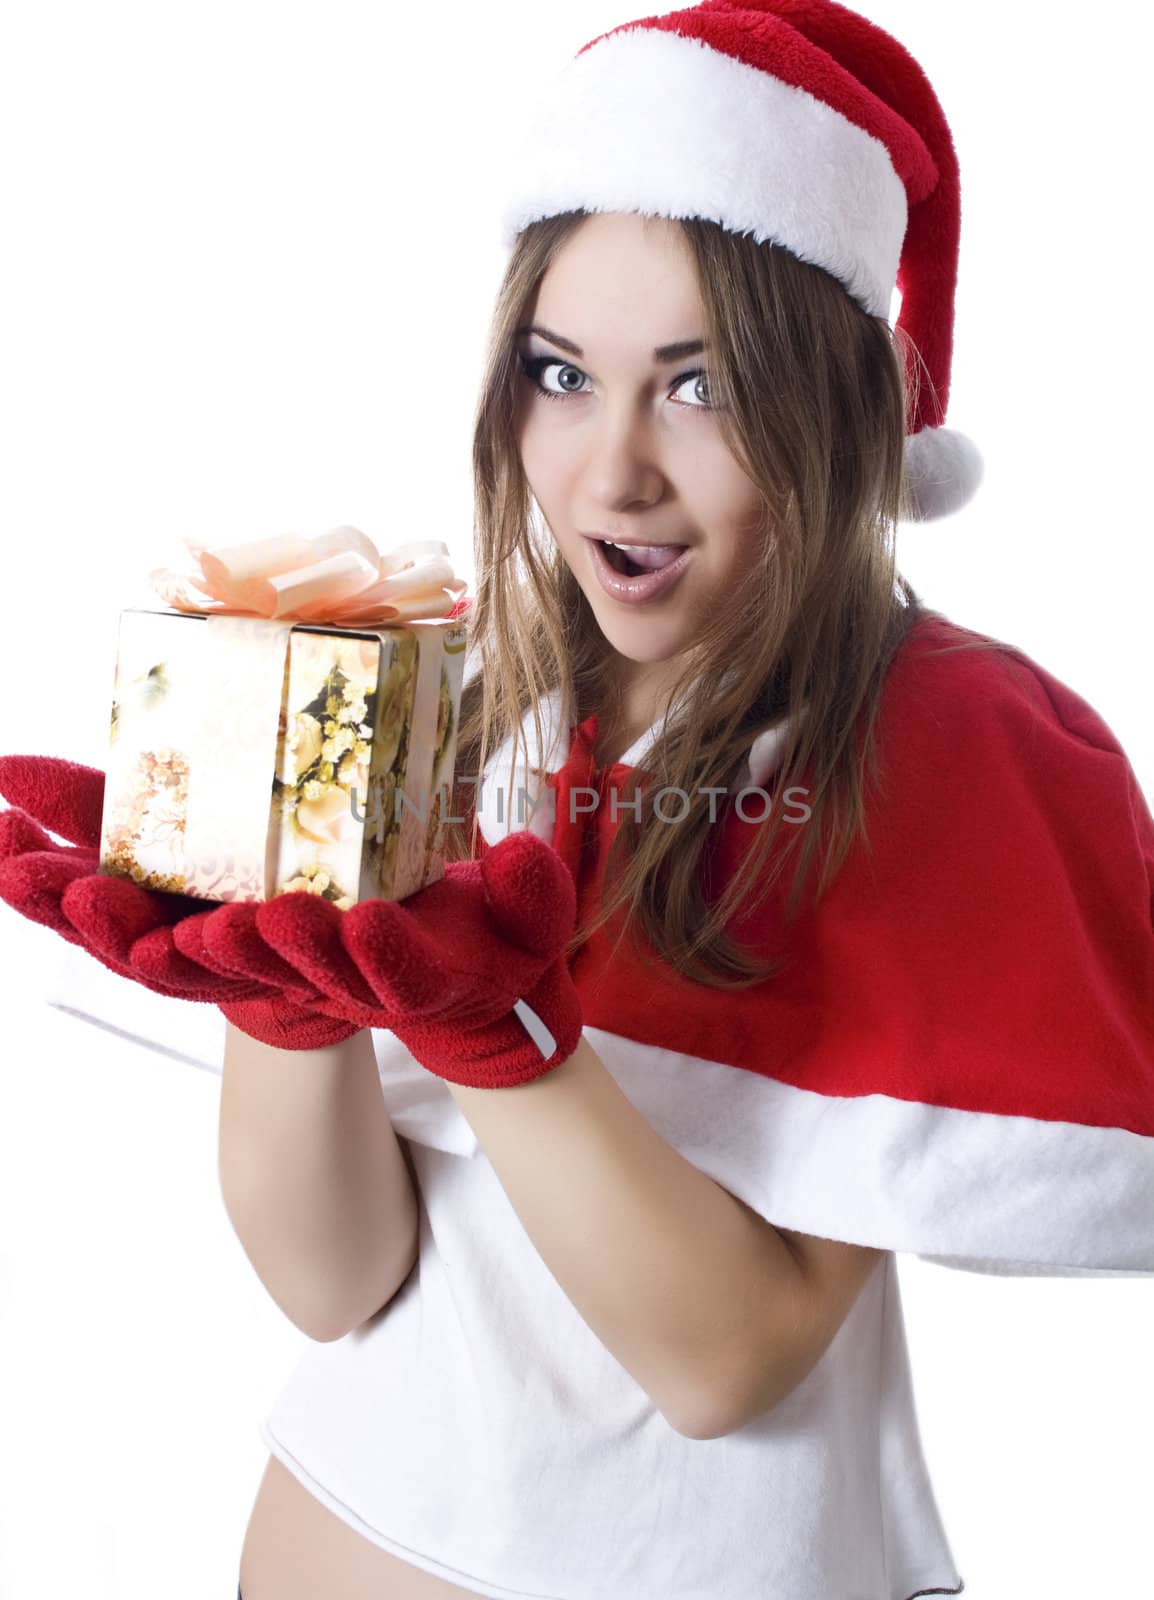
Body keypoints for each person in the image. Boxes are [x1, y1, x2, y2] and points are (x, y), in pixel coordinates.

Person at [0, 2, 1151, 1597]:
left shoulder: (929, 756)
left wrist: (500, 1031)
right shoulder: (458, 701)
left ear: (838, 404)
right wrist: (285, 996)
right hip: (330, 1517)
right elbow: (339, 1285)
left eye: (697, 387)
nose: (610, 473)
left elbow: (723, 1363)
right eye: (561, 374)